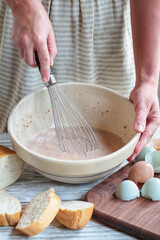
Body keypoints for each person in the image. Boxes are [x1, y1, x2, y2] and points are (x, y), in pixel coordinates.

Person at [1, 0, 160, 161]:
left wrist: (147, 80)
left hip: (109, 27)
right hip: (31, 22)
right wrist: (23, 5)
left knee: (123, 123)